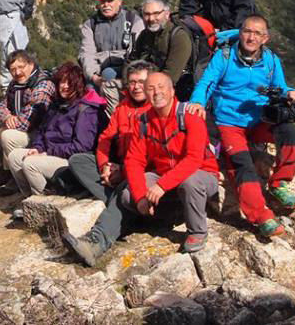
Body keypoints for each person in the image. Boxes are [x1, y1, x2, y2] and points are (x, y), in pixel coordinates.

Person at [63, 72, 220, 266]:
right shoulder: (144, 121)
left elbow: (194, 160)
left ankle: (197, 231)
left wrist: (161, 186)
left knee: (190, 181)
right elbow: (134, 161)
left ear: (172, 91)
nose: (157, 92)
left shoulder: (190, 116)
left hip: (200, 177)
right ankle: (95, 245)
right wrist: (140, 198)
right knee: (127, 194)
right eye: (151, 89)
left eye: (161, 87)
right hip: (165, 181)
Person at [188, 14, 295, 238]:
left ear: (265, 38)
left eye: (257, 33)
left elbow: (279, 87)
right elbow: (206, 83)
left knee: (290, 132)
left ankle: (279, 183)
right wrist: (197, 102)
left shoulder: (270, 60)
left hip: (261, 120)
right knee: (242, 163)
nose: (251, 37)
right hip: (229, 123)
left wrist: (290, 91)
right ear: (240, 33)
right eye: (247, 31)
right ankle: (261, 216)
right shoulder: (224, 57)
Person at [6, 63, 104, 209]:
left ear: (78, 84)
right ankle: (29, 200)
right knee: (14, 156)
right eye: (62, 82)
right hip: (50, 153)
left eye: (69, 82)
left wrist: (47, 152)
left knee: (31, 164)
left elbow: (81, 147)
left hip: (69, 161)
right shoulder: (57, 105)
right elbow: (41, 131)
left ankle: (43, 205)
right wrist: (37, 148)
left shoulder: (86, 109)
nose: (64, 86)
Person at [68, 60, 151, 203]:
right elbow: (105, 139)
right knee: (77, 161)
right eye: (132, 82)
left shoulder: (156, 109)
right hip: (119, 164)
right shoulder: (122, 108)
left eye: (141, 82)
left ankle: (117, 199)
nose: (136, 87)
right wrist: (104, 166)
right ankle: (115, 198)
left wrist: (124, 171)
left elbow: (153, 155)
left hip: (142, 169)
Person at [0, 50, 53, 188]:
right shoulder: (14, 84)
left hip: (37, 133)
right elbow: (1, 107)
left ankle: (15, 176)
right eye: (13, 69)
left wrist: (8, 125)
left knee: (7, 136)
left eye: (21, 67)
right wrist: (8, 117)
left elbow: (28, 121)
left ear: (31, 64)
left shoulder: (42, 84)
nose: (17, 72)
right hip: (13, 124)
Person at [78, 0, 143, 113]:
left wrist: (126, 74)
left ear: (119, 1)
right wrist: (94, 76)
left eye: (110, 0)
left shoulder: (133, 20)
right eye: (103, 1)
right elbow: (87, 53)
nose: (106, 4)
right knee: (87, 93)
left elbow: (135, 52)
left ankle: (118, 120)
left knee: (108, 74)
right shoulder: (90, 25)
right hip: (98, 71)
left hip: (126, 69)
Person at [131, 0, 194, 97]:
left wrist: (143, 86)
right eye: (147, 14)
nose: (151, 18)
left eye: (156, 14)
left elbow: (170, 76)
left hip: (166, 92)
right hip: (141, 85)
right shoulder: (144, 35)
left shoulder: (178, 37)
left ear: (167, 14)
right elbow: (132, 61)